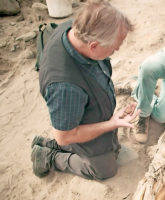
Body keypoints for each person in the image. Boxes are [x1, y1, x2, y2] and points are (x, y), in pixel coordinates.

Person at [31, 1, 140, 180]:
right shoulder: (65, 88)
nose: (116, 50)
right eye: (113, 49)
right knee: (105, 171)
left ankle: (43, 143)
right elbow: (64, 137)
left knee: (110, 149)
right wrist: (111, 124)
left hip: (85, 112)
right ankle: (46, 157)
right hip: (75, 129)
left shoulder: (76, 28)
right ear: (94, 46)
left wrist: (111, 119)